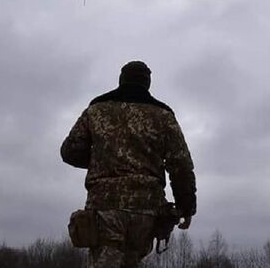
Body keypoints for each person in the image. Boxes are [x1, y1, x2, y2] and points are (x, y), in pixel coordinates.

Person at [61, 61, 197, 268]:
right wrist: (186, 207)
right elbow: (181, 165)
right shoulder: (163, 115)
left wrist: (102, 160)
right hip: (146, 210)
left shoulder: (96, 109)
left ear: (121, 80)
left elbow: (69, 151)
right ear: (147, 84)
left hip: (105, 207)